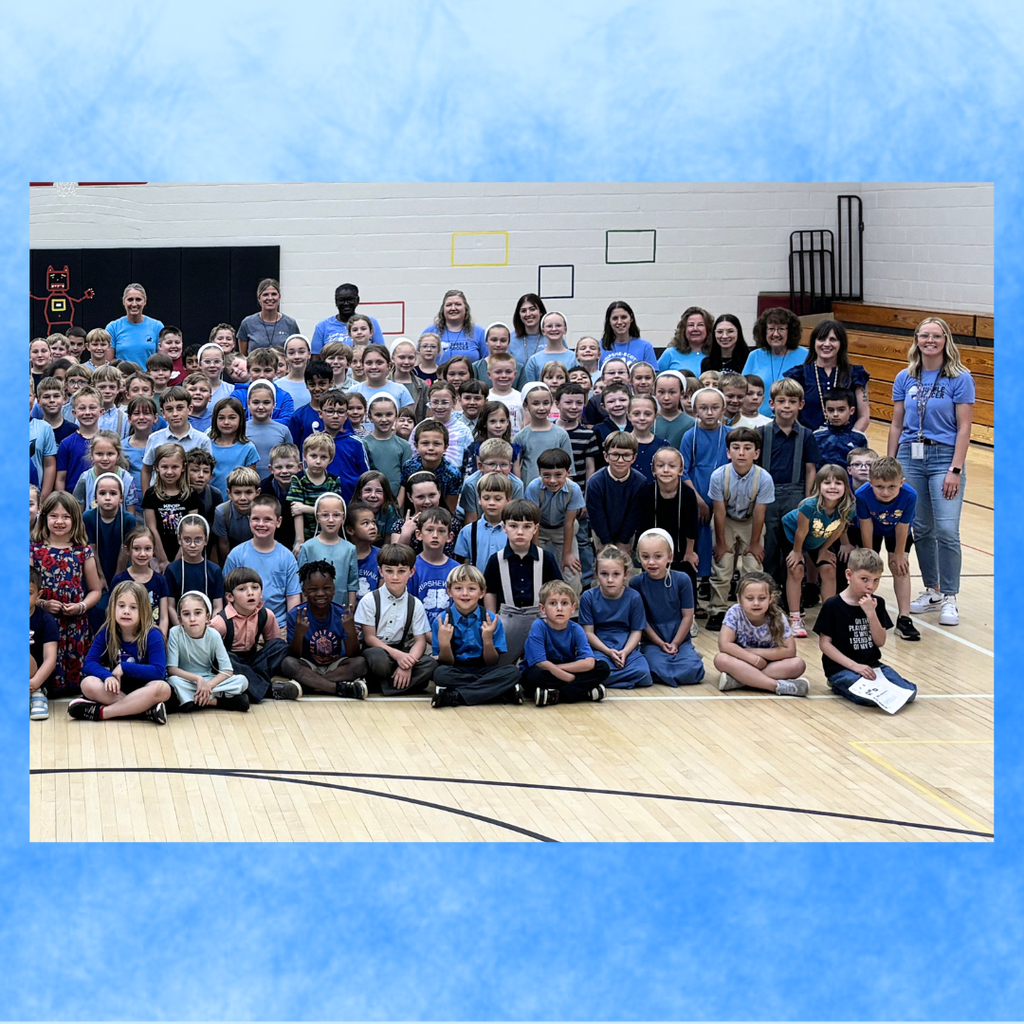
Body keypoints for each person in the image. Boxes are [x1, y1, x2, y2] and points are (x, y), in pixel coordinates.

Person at [888, 316, 975, 628]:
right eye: (924, 335)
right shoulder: (905, 377)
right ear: (916, 339)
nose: (930, 340)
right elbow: (897, 424)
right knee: (921, 528)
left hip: (943, 458)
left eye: (936, 336)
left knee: (947, 529)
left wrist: (955, 468)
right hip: (911, 456)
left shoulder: (959, 377)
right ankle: (933, 590)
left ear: (945, 340)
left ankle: (951, 595)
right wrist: (892, 466)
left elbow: (965, 427)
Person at [815, 547, 918, 711]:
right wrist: (855, 666)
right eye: (865, 579)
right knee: (870, 698)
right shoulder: (833, 605)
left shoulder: (878, 603)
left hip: (873, 666)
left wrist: (871, 613)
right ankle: (837, 684)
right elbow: (825, 644)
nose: (871, 586)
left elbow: (880, 641)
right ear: (849, 575)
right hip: (842, 669)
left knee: (910, 692)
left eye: (876, 580)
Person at [31, 492, 103, 697]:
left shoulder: (83, 551)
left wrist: (81, 606)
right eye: (54, 516)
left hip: (75, 623)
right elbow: (25, 589)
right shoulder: (34, 551)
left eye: (66, 517)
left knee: (77, 679)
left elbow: (96, 591)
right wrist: (43, 604)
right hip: (44, 621)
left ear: (75, 519)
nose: (59, 521)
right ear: (44, 518)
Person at [705, 427, 775, 632]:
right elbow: (718, 512)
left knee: (753, 567)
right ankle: (717, 610)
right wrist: (720, 543)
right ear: (728, 452)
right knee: (722, 565)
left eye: (747, 448)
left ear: (757, 453)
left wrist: (754, 543)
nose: (741, 453)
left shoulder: (764, 478)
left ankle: (751, 612)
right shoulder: (719, 476)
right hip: (725, 520)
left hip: (751, 521)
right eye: (736, 448)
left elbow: (760, 514)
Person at [430, 564, 524, 708]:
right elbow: (446, 662)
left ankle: (456, 696)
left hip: (484, 668)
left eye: (472, 588)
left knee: (513, 673)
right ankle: (498, 692)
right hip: (457, 669)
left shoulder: (492, 620)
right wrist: (444, 644)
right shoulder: (442, 621)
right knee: (440, 674)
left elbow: (491, 662)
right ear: (449, 591)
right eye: (458, 588)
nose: (465, 593)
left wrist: (487, 640)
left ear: (482, 593)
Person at [756, 378, 820, 587]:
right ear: (772, 404)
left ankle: (792, 591)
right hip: (767, 496)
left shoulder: (807, 435)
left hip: (796, 495)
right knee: (770, 545)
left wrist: (808, 498)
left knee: (793, 544)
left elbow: (811, 468)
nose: (786, 406)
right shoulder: (762, 433)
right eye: (781, 401)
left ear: (800, 405)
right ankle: (770, 589)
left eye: (792, 401)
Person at [781, 463, 855, 638]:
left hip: (818, 539)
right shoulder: (809, 506)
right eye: (827, 483)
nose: (832, 487)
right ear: (818, 486)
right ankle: (795, 618)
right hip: (792, 536)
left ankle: (827, 618)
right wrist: (798, 552)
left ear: (846, 486)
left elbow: (838, 529)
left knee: (829, 568)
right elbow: (801, 532)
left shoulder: (848, 508)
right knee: (796, 569)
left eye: (838, 483)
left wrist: (824, 549)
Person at [354, 543, 436, 696]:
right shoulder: (370, 600)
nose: (395, 577)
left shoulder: (415, 604)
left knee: (429, 664)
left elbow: (420, 641)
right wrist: (397, 656)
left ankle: (380, 687)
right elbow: (370, 638)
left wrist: (408, 664)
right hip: (378, 651)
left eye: (402, 571)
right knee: (378, 660)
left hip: (402, 651)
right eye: (389, 571)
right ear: (381, 571)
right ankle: (406, 685)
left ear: (411, 572)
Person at [281, 561, 369, 698]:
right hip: (308, 665)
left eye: (326, 588)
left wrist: (350, 631)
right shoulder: (296, 615)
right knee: (288, 663)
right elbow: (294, 655)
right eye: (313, 589)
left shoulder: (342, 613)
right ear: (304, 591)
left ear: (334, 590)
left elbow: (353, 654)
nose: (321, 593)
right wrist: (299, 633)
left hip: (335, 665)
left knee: (360, 663)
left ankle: (310, 684)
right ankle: (339, 689)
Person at [855, 456, 920, 641]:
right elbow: (866, 525)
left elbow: (903, 525)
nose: (885, 492)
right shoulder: (862, 494)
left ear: (902, 483)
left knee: (900, 567)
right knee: (867, 569)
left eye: (892, 487)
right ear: (870, 483)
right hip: (873, 529)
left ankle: (904, 618)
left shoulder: (910, 495)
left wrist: (899, 554)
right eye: (879, 487)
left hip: (897, 531)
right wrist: (870, 555)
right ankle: (866, 611)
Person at [713, 572, 809, 696]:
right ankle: (776, 686)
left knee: (798, 664)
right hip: (742, 661)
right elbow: (725, 645)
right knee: (721, 659)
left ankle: (740, 680)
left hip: (770, 664)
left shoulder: (778, 616)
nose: (756, 603)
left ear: (771, 598)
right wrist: (752, 659)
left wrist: (756, 655)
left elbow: (790, 651)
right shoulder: (734, 612)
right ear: (739, 599)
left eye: (762, 598)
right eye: (750, 598)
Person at [211, 567, 297, 703]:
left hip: (253, 661)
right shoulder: (220, 622)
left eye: (255, 588)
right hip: (231, 663)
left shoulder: (266, 615)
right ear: (229, 597)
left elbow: (272, 646)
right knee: (226, 658)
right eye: (242, 589)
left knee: (280, 646)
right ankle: (269, 690)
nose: (250, 593)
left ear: (261, 593)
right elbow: (209, 655)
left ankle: (252, 684)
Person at [630, 529, 705, 685]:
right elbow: (641, 620)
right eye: (645, 557)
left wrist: (676, 643)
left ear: (669, 557)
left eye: (658, 556)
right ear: (638, 558)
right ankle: (672, 658)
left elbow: (688, 616)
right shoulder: (636, 583)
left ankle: (687, 655)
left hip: (680, 639)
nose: (651, 562)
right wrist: (660, 643)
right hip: (652, 641)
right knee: (653, 669)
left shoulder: (682, 580)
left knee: (693, 671)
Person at [520, 581, 610, 706]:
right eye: (553, 603)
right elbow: (540, 663)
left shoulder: (576, 628)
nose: (559, 608)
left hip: (567, 667)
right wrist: (570, 678)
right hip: (544, 669)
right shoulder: (538, 627)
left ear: (573, 608)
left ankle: (555, 695)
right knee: (531, 676)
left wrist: (561, 670)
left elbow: (589, 662)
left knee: (603, 668)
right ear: (542, 609)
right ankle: (583, 692)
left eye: (564, 603)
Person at [222, 495, 302, 628]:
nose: (261, 524)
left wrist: (291, 628)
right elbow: (227, 593)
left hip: (279, 626)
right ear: (249, 520)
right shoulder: (236, 555)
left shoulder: (287, 558)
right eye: (255, 519)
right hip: (242, 626)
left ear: (279, 521)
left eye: (268, 519)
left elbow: (293, 597)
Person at [579, 545, 652, 689]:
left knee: (644, 674)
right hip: (600, 649)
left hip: (627, 649)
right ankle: (621, 681)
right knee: (594, 670)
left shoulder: (634, 597)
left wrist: (624, 652)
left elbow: (636, 631)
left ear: (625, 574)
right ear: (596, 574)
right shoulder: (588, 597)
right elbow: (588, 632)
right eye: (604, 574)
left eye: (616, 574)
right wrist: (608, 651)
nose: (610, 580)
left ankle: (603, 683)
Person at [166, 591, 250, 712]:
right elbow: (172, 669)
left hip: (210, 680)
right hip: (187, 680)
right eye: (186, 614)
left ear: (207, 617)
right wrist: (198, 680)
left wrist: (208, 685)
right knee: (173, 681)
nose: (192, 618)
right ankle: (218, 702)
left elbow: (227, 670)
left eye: (198, 613)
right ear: (179, 619)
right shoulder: (175, 632)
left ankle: (192, 701)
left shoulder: (214, 635)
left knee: (242, 681)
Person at [680, 387, 730, 589]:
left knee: (721, 543)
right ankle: (702, 582)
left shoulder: (730, 435)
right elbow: (683, 471)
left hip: (725, 502)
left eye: (715, 408)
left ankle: (720, 584)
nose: (709, 413)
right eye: (704, 408)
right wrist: (698, 500)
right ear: (695, 410)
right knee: (700, 542)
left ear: (723, 409)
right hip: (698, 499)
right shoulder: (689, 436)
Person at [783, 319, 871, 432]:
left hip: (847, 444)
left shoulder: (855, 374)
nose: (826, 344)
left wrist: (848, 440)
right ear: (814, 342)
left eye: (833, 339)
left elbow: (864, 417)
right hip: (808, 442)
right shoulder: (798, 375)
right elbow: (791, 415)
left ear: (841, 344)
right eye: (821, 339)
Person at [524, 448, 584, 596]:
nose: (552, 480)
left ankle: (573, 610)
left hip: (563, 528)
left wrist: (567, 554)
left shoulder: (574, 489)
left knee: (571, 571)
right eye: (546, 475)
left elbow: (569, 523)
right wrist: (535, 551)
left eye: (558, 475)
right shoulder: (534, 487)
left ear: (568, 473)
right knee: (534, 567)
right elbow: (533, 521)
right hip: (539, 528)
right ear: (539, 473)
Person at [140, 386, 213, 493]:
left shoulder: (202, 440)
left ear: (190, 409)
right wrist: (147, 497)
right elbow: (147, 470)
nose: (175, 414)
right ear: (163, 413)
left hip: (191, 497)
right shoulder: (155, 438)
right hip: (160, 496)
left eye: (180, 408)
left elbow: (206, 471)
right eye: (169, 409)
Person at [586, 431, 647, 556]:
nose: (620, 460)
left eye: (626, 455)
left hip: (627, 534)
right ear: (606, 456)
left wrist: (623, 542)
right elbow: (596, 515)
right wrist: (606, 541)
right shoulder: (595, 482)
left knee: (626, 568)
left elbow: (634, 515)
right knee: (603, 565)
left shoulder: (640, 482)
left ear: (634, 457)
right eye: (615, 455)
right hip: (600, 532)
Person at [297, 492, 359, 611]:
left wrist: (350, 612)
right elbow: (302, 583)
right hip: (313, 610)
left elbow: (352, 584)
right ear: (317, 517)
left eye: (336, 515)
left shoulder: (350, 549)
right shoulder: (307, 547)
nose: (331, 520)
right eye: (325, 515)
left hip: (341, 609)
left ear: (343, 518)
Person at [742, 307, 809, 416]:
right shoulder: (755, 355)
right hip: (758, 421)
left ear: (790, 331)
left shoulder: (805, 355)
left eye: (781, 329)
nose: (776, 334)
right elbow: (742, 390)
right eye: (771, 329)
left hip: (793, 422)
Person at [110, 526, 170, 636]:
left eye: (147, 548)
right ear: (127, 550)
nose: (142, 554)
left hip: (153, 638)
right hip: (126, 639)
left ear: (154, 550)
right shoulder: (119, 580)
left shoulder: (160, 580)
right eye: (136, 549)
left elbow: (164, 617)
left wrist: (161, 640)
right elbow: (112, 615)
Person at [165, 514, 224, 624]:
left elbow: (218, 606)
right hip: (180, 628)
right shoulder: (172, 569)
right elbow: (170, 606)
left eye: (198, 540)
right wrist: (180, 628)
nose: (192, 545)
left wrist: (209, 626)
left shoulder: (214, 570)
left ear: (206, 540)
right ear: (179, 539)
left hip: (207, 627)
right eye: (187, 540)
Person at [407, 508, 460, 630]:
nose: (435, 535)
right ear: (419, 534)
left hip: (451, 633)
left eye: (441, 531)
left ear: (449, 537)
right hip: (418, 634)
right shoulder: (411, 567)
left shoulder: (456, 570)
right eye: (430, 530)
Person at [512, 383, 574, 485]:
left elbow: (569, 468)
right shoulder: (520, 437)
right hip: (529, 491)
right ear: (526, 405)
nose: (541, 408)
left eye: (546, 403)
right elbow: (516, 467)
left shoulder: (561, 435)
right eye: (536, 403)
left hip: (556, 488)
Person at [398, 419, 462, 513]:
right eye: (425, 443)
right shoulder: (409, 466)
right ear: (416, 446)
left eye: (437, 444)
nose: (431, 448)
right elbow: (402, 499)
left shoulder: (452, 474)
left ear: (445, 447)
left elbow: (450, 509)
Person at [288, 433, 341, 547]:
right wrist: (300, 541)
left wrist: (306, 508)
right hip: (304, 535)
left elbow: (334, 512)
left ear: (330, 459)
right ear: (305, 456)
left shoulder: (333, 481)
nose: (318, 461)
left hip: (328, 535)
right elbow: (297, 511)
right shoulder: (298, 479)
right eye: (313, 456)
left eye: (323, 457)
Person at [455, 472, 511, 572]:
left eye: (498, 499)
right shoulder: (468, 531)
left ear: (508, 500)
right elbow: (462, 565)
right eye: (486, 498)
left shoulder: (513, 531)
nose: (491, 503)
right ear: (479, 499)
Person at [207, 397, 260, 497]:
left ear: (240, 419)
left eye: (232, 418)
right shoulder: (207, 444)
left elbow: (251, 482)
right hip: (211, 500)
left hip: (238, 501)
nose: (226, 422)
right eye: (221, 418)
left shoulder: (248, 448)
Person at [311, 283, 385, 352]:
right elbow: (316, 358)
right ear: (336, 302)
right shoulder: (322, 326)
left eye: (350, 300)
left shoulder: (370, 322)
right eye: (341, 300)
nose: (346, 304)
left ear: (357, 300)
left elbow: (381, 352)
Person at [363, 395, 413, 495]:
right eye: (378, 415)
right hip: (372, 497)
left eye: (389, 414)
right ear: (370, 417)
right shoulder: (364, 444)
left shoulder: (404, 446)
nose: (384, 419)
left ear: (396, 416)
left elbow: (406, 477)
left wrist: (400, 501)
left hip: (397, 500)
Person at [237, 278, 301, 355]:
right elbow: (243, 356)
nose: (270, 298)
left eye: (274, 294)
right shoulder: (247, 323)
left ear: (279, 297)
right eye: (265, 295)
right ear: (259, 298)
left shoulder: (290, 324)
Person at [104, 284, 164, 364]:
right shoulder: (113, 327)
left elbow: (162, 361)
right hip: (122, 375)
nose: (134, 304)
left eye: (138, 299)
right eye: (130, 300)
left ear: (145, 301)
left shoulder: (157, 326)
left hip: (149, 376)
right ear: (124, 302)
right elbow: (108, 363)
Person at [423, 289, 487, 363]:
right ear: (443, 309)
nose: (453, 308)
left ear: (465, 308)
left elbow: (488, 362)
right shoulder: (430, 332)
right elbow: (419, 361)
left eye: (458, 304)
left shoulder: (479, 333)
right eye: (449, 305)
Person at [213, 466, 261, 563]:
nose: (243, 498)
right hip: (232, 557)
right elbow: (224, 545)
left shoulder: (262, 512)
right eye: (237, 493)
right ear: (229, 494)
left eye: (248, 492)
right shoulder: (222, 512)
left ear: (257, 492)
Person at [30, 567, 59, 720]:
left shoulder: (46, 620)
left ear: (38, 595)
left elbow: (50, 659)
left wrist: (35, 683)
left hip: (38, 677)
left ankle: (37, 694)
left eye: (28, 593)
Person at [813, 388, 868, 469]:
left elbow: (864, 466)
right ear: (825, 412)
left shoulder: (859, 438)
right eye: (831, 410)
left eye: (841, 410)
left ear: (851, 410)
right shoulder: (817, 436)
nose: (835, 414)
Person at [245, 380, 290, 474]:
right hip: (247, 484)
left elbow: (290, 459)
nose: (261, 407)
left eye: (266, 402)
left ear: (274, 404)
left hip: (275, 483)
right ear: (249, 403)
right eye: (256, 402)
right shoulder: (241, 429)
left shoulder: (283, 430)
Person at [599, 300, 657, 368]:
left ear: (631, 319)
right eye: (615, 318)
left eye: (624, 317)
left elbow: (652, 375)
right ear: (609, 321)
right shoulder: (599, 347)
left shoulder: (645, 347)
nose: (620, 322)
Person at [658, 306, 713, 374]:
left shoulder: (715, 354)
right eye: (691, 325)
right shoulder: (670, 353)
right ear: (684, 329)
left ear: (708, 329)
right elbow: (655, 378)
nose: (695, 329)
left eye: (700, 325)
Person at [523, 312, 576, 382]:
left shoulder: (574, 358)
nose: (554, 329)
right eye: (549, 326)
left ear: (565, 330)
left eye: (558, 325)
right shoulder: (534, 360)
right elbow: (530, 387)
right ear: (543, 331)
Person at [510, 293, 547, 366]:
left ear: (541, 312)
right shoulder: (510, 339)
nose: (528, 314)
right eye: (523, 311)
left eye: (532, 309)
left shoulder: (552, 337)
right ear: (519, 315)